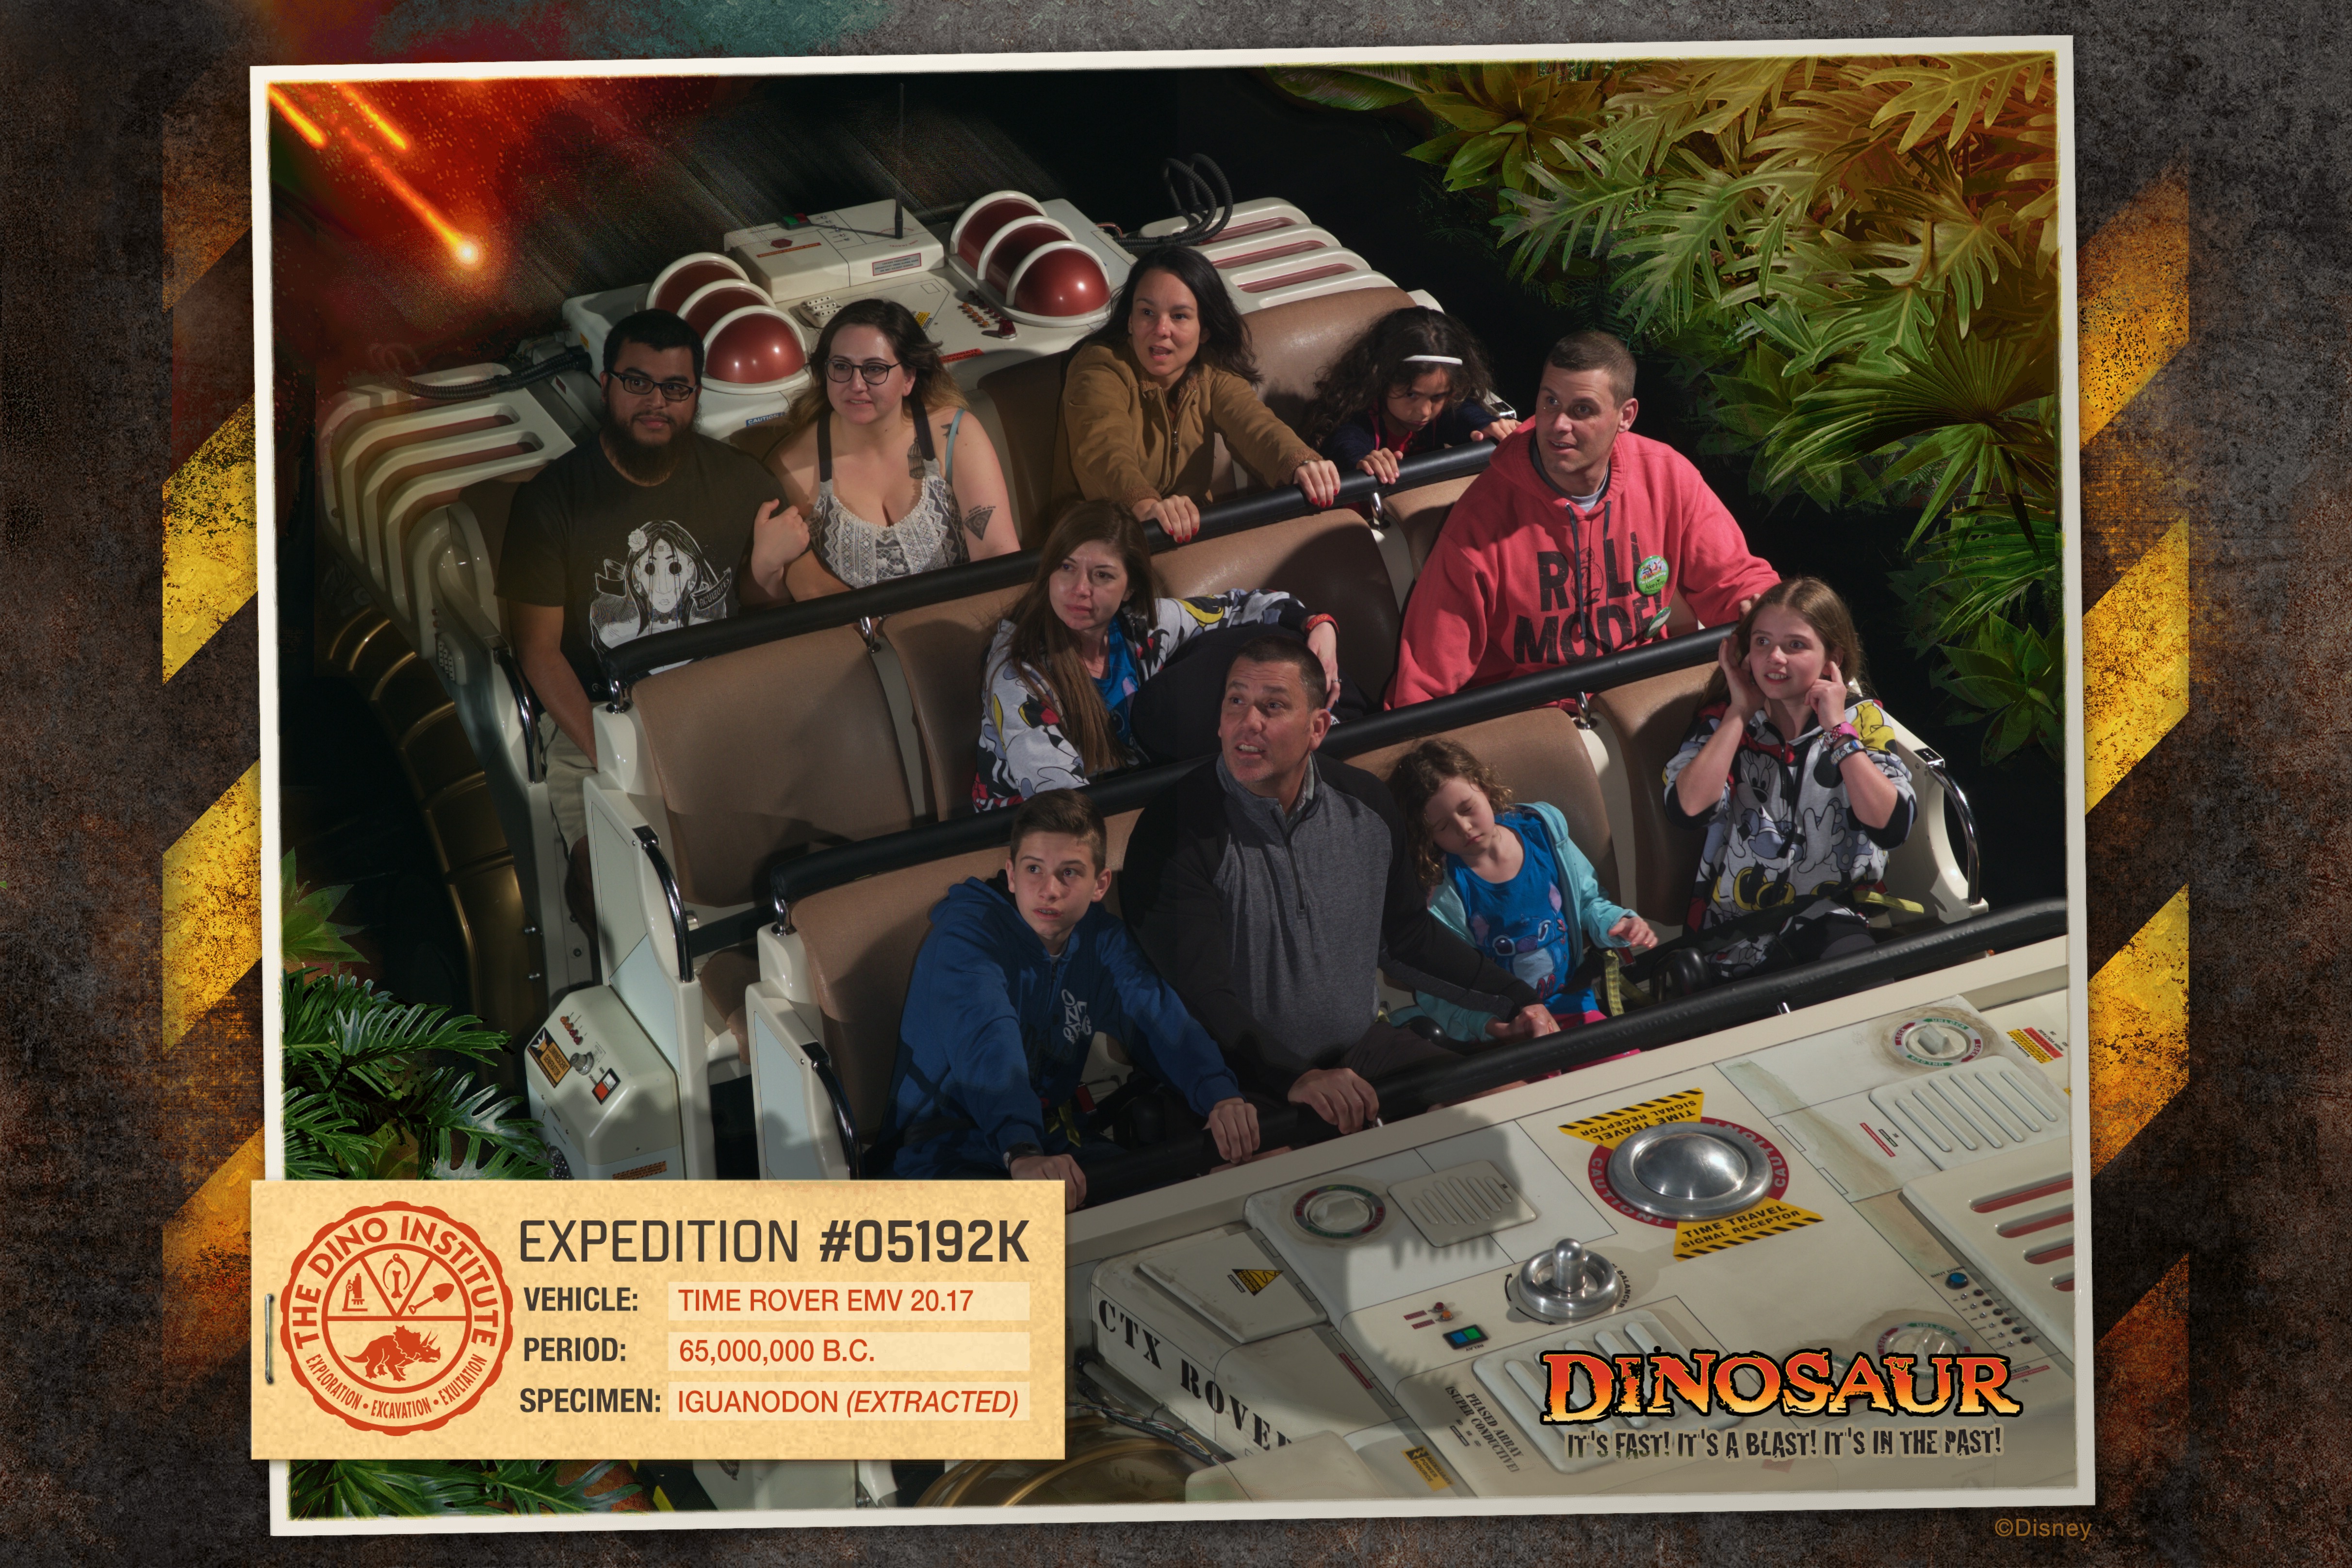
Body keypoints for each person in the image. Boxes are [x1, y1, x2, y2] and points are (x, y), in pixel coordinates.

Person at [1120, 637, 1558, 1136]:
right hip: (1232, 1080)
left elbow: (1406, 939)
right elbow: (1202, 996)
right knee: (1281, 1177)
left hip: (1362, 1049)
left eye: (1272, 706)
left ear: (1318, 728)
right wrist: (1297, 1077)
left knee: (1511, 1110)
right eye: (1235, 701)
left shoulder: (1366, 804)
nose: (1248, 722)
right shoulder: (1169, 831)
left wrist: (1516, 1000)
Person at [497, 308, 802, 928]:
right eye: (638, 382)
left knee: (792, 857)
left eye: (675, 387)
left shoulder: (740, 481)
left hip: (719, 709)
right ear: (606, 385)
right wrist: (621, 757)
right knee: (610, 883)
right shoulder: (551, 502)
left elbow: (771, 600)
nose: (656, 401)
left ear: (696, 396)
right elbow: (538, 653)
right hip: (599, 721)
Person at [883, 790, 1261, 1211]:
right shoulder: (967, 939)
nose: (1050, 890)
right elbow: (988, 1046)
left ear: (1100, 885)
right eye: (1034, 869)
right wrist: (1022, 1150)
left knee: (1172, 1211)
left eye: (1069, 873)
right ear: (1011, 875)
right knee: (1042, 1239)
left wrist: (1220, 1096)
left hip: (1052, 1143)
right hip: (943, 1156)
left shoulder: (1101, 940)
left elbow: (1159, 1018)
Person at [1385, 329, 1780, 708]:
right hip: (1538, 716)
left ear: (1626, 416)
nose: (1558, 424)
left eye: (1582, 410)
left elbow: (1736, 581)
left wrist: (1766, 616)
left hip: (1647, 689)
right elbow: (1424, 680)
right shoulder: (1480, 518)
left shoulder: (1666, 475)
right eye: (1550, 402)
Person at [974, 500, 1360, 810]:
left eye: (1102, 575)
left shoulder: (1140, 626)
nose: (1079, 589)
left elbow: (1243, 606)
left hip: (1141, 800)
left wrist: (1319, 625)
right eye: (1066, 568)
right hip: (1038, 836)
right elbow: (1058, 798)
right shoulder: (1015, 667)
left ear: (1129, 588)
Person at [1663, 577, 1916, 980]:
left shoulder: (1862, 719)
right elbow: (1687, 810)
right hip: (1733, 934)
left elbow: (1892, 827)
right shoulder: (1720, 721)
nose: (1775, 658)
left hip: (1832, 916)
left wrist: (1838, 731)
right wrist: (1739, 712)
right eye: (1762, 642)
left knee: (1863, 987)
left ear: (1833, 657)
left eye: (1795, 645)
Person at [1051, 243, 1341, 542]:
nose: (1161, 329)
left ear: (1205, 330)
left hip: (1188, 531)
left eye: (1179, 316)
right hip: (1100, 536)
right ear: (1130, 320)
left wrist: (1300, 463)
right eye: (1147, 312)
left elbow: (1255, 426)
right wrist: (1145, 507)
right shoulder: (1099, 365)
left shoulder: (1212, 371)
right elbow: (1103, 450)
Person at [1385, 738, 1656, 1040]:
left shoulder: (1543, 834)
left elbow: (1589, 904)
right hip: (1509, 1025)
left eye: (1467, 808)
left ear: (1484, 788)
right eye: (1443, 827)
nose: (1464, 827)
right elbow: (1441, 984)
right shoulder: (1439, 894)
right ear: (1427, 836)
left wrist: (1618, 923)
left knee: (1621, 1059)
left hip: (1572, 1001)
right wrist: (1495, 1028)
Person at [764, 297, 1019, 597]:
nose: (856, 385)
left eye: (874, 369)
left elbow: (997, 557)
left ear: (909, 377)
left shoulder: (956, 434)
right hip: (857, 627)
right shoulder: (788, 467)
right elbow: (799, 591)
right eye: (842, 366)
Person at [1300, 306, 1519, 496]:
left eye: (1437, 396)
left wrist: (1487, 425)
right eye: (1411, 395)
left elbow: (1462, 412)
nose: (1424, 412)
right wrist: (1363, 460)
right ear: (1382, 380)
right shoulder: (1357, 416)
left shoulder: (1443, 410)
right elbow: (1346, 442)